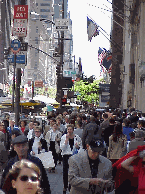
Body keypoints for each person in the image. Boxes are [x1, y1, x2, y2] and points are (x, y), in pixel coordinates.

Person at [60, 124, 82, 193]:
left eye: (70, 129)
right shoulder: (64, 137)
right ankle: (65, 185)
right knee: (65, 171)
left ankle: (71, 185)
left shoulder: (77, 137)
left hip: (74, 156)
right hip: (66, 155)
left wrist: (78, 147)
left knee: (73, 171)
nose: (69, 131)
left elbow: (81, 146)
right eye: (68, 129)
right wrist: (66, 141)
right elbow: (62, 148)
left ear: (73, 130)